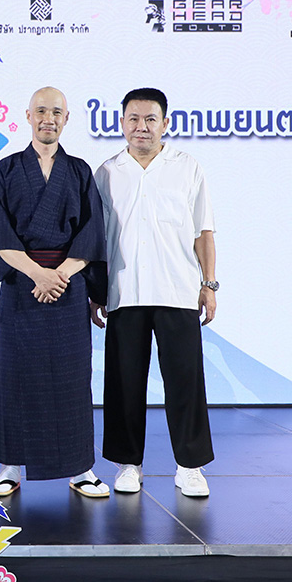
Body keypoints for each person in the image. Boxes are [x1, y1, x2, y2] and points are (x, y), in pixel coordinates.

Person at [0, 87, 109, 498]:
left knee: (73, 378)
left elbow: (92, 233)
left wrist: (61, 274)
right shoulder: (6, 170)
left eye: (56, 112)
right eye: (40, 111)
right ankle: (9, 467)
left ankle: (81, 468)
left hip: (68, 285)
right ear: (28, 116)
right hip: (22, 284)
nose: (47, 118)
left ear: (66, 118)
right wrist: (38, 274)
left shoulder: (80, 171)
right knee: (14, 376)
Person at [92, 87, 217, 498]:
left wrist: (209, 284)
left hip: (178, 291)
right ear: (121, 123)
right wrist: (96, 291)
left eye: (150, 119)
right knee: (124, 384)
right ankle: (128, 464)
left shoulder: (187, 167)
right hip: (124, 292)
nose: (141, 127)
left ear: (165, 123)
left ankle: (190, 467)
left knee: (185, 383)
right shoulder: (107, 172)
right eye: (133, 118)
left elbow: (203, 231)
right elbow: (97, 239)